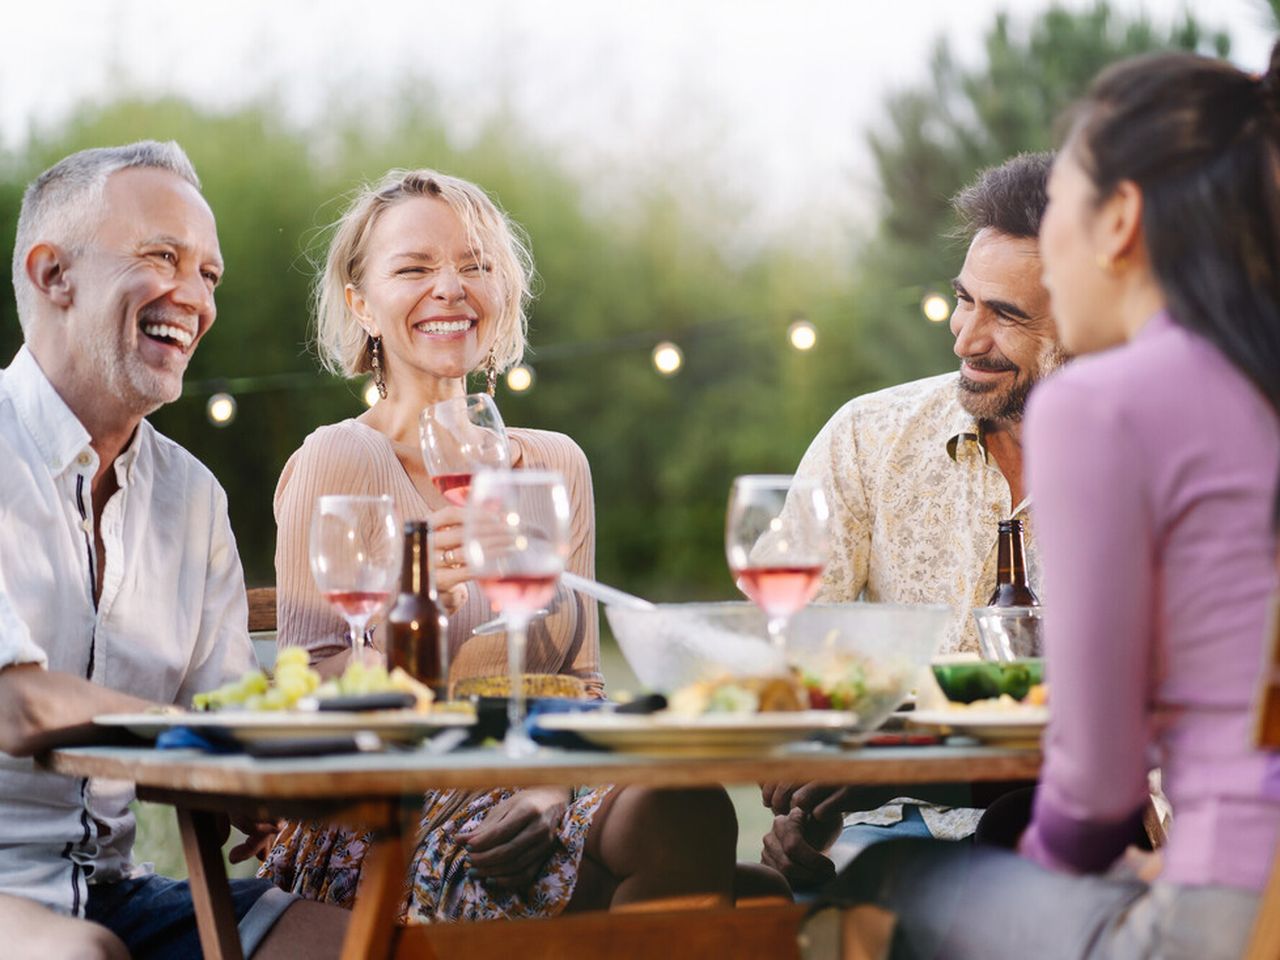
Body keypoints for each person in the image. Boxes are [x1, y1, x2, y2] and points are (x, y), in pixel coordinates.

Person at [822, 43, 1280, 959]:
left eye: (1061, 208)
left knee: (877, 884)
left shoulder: (1106, 402)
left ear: (1120, 221)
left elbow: (1097, 783)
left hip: (1220, 916)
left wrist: (1049, 856)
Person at [258, 167, 743, 921]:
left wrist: (546, 782)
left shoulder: (554, 467)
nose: (450, 287)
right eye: (415, 268)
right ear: (362, 305)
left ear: (502, 293)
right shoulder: (341, 459)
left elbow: (577, 682)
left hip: (535, 776)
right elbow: (315, 686)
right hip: (386, 806)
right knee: (697, 870)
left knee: (692, 809)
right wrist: (411, 619)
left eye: (475, 265)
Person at [0, 142, 349, 959]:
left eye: (209, 275)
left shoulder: (193, 497)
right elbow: (16, 707)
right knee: (86, 956)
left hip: (114, 886)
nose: (192, 297)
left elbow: (216, 718)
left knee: (350, 943)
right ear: (54, 275)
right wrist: (205, 740)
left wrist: (252, 787)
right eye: (162, 257)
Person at [761, 153, 1066, 889]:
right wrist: (810, 785)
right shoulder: (869, 437)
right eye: (965, 299)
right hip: (880, 830)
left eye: (1006, 315)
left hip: (1072, 837)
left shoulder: (1150, 463)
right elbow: (795, 662)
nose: (965, 336)